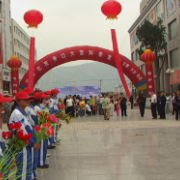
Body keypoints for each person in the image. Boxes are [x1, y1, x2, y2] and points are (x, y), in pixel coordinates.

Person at [9, 91, 40, 180]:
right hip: (22, 146)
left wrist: (35, 141)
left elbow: (29, 129)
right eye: (25, 99)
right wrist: (32, 143)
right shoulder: (16, 114)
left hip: (26, 145)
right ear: (18, 101)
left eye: (29, 99)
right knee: (23, 171)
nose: (28, 101)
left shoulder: (22, 113)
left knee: (27, 170)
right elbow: (21, 134)